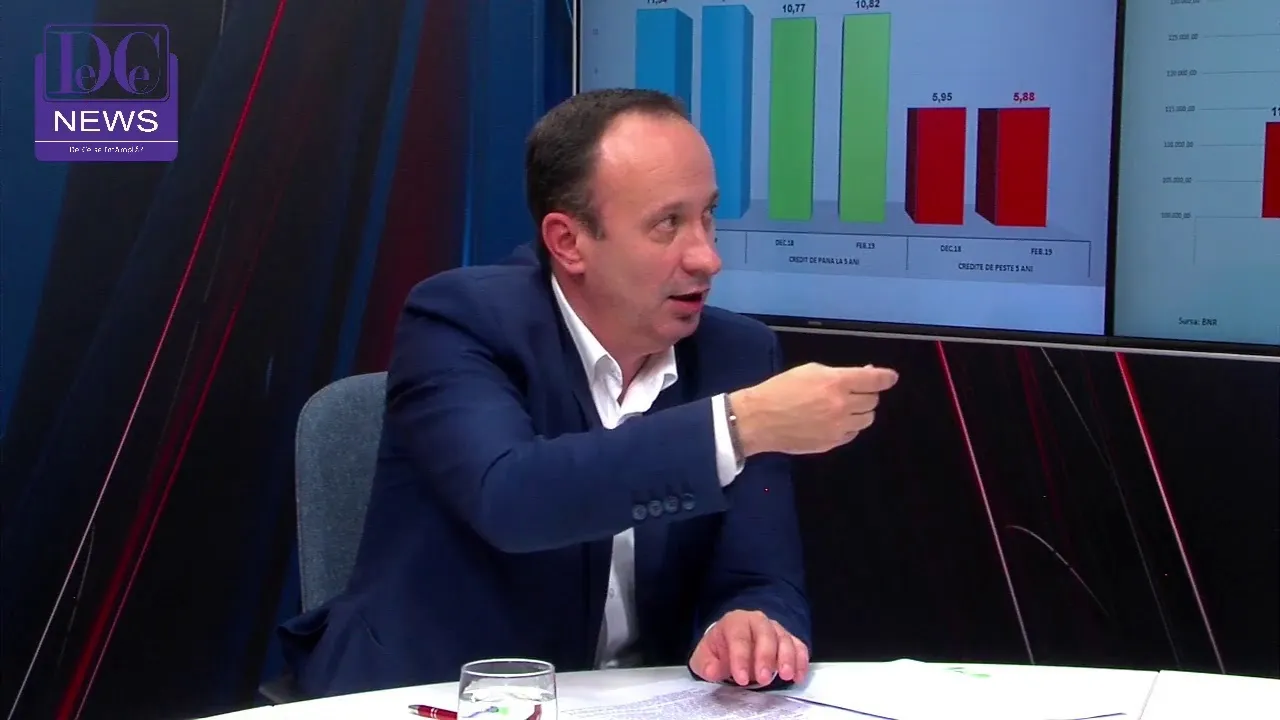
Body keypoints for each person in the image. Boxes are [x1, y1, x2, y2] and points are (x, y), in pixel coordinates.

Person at [278, 88, 899, 698]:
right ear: (568, 242)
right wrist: (737, 426)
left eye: (708, 215)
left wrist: (746, 623)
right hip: (436, 695)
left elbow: (759, 574)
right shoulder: (460, 319)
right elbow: (511, 497)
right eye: (667, 224)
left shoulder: (738, 354)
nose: (707, 257)